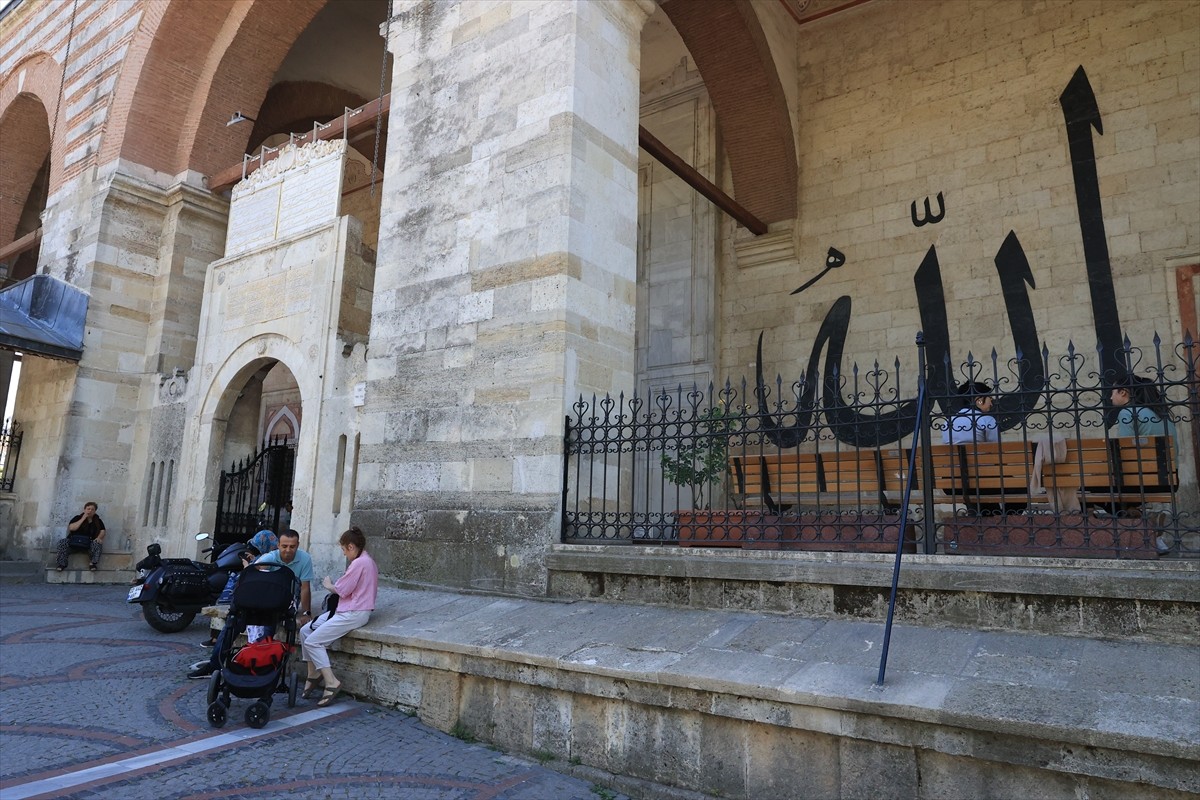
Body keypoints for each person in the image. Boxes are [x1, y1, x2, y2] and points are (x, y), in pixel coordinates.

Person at [188, 529, 311, 679]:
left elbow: (305, 588)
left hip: (283, 602)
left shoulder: (304, 559)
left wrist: (306, 612)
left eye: (292, 547)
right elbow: (252, 573)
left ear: (297, 546)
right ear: (278, 545)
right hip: (262, 599)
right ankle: (214, 665)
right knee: (231, 624)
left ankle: (260, 668)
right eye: (284, 546)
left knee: (267, 625)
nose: (287, 550)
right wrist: (254, 567)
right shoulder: (270, 557)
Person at [299, 527, 378, 707]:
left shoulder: (359, 563)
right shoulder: (366, 561)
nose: (344, 554)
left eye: (343, 550)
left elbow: (342, 589)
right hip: (349, 610)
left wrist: (328, 585)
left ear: (350, 546)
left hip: (353, 612)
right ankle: (313, 673)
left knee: (313, 641)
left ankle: (331, 681)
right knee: (305, 631)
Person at [200, 530, 278, 648]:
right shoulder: (266, 557)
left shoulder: (271, 559)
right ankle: (218, 646)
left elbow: (254, 577)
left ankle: (219, 647)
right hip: (255, 599)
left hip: (259, 600)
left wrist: (247, 566)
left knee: (234, 609)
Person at [55, 502, 106, 571]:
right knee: (62, 542)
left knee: (97, 544)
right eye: (88, 509)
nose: (90, 511)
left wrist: (99, 538)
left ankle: (92, 564)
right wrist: (83, 518)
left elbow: (102, 531)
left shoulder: (98, 521)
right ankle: (62, 564)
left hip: (88, 544)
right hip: (73, 542)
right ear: (84, 510)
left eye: (92, 509)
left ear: (95, 511)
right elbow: (72, 528)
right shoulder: (77, 518)